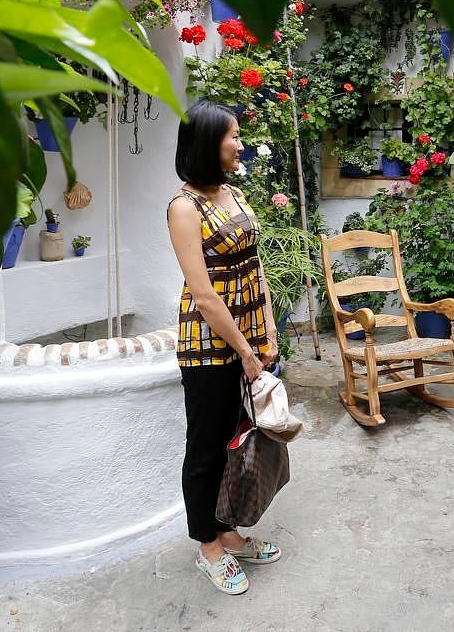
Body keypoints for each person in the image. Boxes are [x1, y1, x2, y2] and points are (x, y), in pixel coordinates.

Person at [167, 100, 282, 595]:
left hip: (252, 337)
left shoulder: (233, 194)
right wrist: (244, 351)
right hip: (210, 346)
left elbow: (255, 267)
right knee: (208, 448)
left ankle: (230, 533)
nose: (240, 144)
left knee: (243, 442)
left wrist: (269, 333)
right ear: (205, 144)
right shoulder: (183, 208)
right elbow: (205, 292)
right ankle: (208, 547)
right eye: (232, 136)